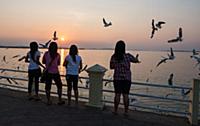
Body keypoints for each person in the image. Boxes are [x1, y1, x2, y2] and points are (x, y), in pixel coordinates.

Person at [110, 40, 140, 116]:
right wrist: (136, 58)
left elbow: (111, 67)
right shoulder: (128, 56)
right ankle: (126, 112)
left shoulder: (114, 57)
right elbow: (136, 61)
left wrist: (117, 65)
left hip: (117, 79)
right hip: (127, 79)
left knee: (117, 95)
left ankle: (115, 110)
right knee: (126, 95)